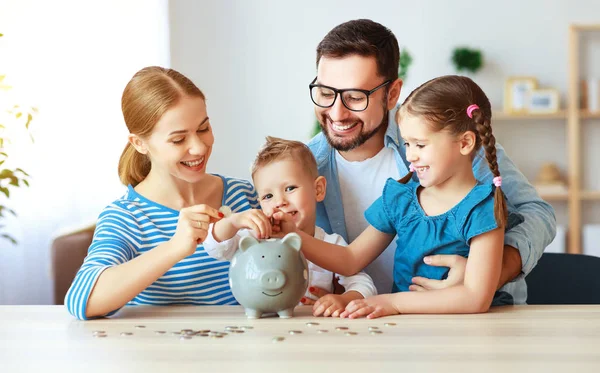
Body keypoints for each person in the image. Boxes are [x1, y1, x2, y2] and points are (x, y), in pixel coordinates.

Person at [307, 19, 556, 304]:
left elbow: (537, 213)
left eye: (355, 97)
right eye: (326, 94)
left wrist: (488, 274)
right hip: (363, 322)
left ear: (392, 94)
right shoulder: (303, 166)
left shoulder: (448, 138)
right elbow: (345, 259)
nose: (337, 114)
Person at [275, 75, 523, 318]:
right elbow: (349, 260)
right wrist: (293, 234)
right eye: (407, 144)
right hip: (406, 331)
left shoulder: (483, 206)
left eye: (420, 145)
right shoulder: (401, 199)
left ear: (465, 143)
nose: (411, 155)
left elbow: (475, 298)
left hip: (468, 331)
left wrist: (392, 302)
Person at [64, 66, 272, 320]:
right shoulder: (127, 216)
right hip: (165, 356)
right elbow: (81, 301)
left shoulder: (245, 196)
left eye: (203, 129)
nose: (198, 148)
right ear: (139, 143)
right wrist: (175, 247)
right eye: (178, 140)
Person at [203, 137, 377, 317]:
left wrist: (342, 300)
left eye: (290, 188)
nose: (279, 202)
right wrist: (233, 221)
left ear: (318, 189)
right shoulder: (255, 238)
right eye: (268, 196)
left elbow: (363, 283)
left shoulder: (330, 244)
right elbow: (214, 246)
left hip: (312, 329)